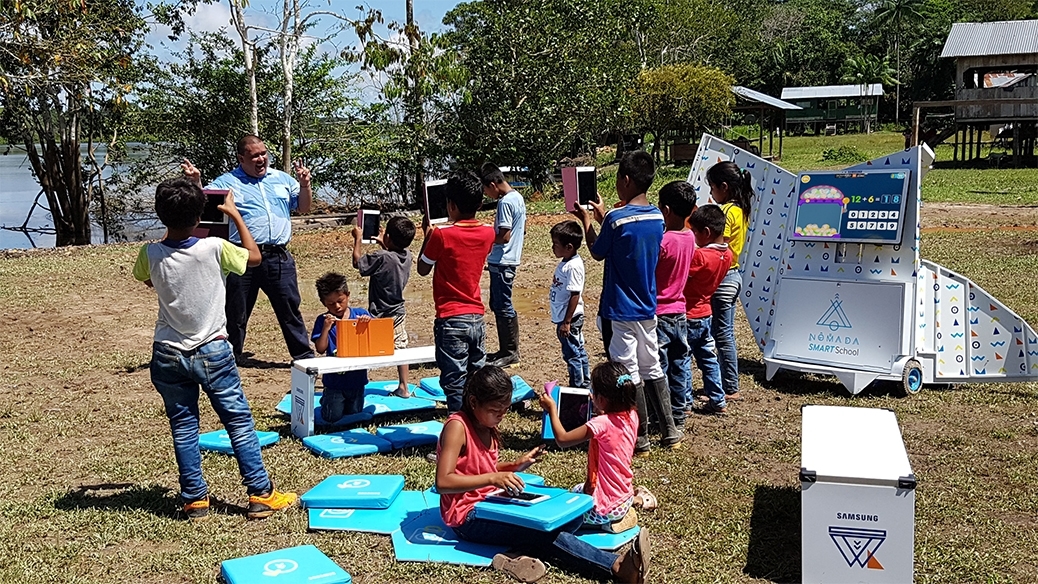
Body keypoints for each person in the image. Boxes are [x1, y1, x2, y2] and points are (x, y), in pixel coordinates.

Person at [133, 177, 297, 521]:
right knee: (238, 422)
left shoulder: (149, 253)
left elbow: (148, 279)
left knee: (183, 425)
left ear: (161, 216)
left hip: (167, 352)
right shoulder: (215, 250)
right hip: (212, 350)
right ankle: (260, 494)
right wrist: (236, 216)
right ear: (200, 218)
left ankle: (195, 499)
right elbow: (253, 257)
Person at [436, 365, 650, 583]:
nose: (501, 416)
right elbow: (444, 481)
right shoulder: (457, 427)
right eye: (496, 411)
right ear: (474, 402)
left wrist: (516, 465)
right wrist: (493, 478)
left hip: (491, 503)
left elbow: (480, 469)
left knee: (568, 516)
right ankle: (616, 566)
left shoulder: (485, 422)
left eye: (505, 410)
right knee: (543, 533)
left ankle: (514, 554)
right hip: (468, 517)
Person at [573, 151, 682, 454]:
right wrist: (603, 217)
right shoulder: (658, 217)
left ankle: (641, 436)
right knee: (653, 366)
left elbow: (597, 251)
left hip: (619, 307)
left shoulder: (616, 219)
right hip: (648, 306)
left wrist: (587, 221)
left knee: (628, 371)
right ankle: (670, 431)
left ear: (625, 180)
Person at [181, 135, 315, 364]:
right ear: (241, 158)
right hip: (241, 256)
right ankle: (231, 355)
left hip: (278, 256)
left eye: (264, 153)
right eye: (255, 156)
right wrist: (196, 182)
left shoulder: (283, 179)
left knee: (289, 308)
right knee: (236, 310)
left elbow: (303, 208)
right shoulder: (227, 182)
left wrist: (304, 185)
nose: (261, 159)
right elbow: (204, 206)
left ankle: (304, 357)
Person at [539, 362, 659, 535]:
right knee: (577, 489)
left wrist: (552, 409)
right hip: (624, 496)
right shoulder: (631, 415)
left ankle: (610, 524)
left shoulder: (600, 424)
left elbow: (563, 439)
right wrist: (601, 408)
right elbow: (612, 428)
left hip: (606, 508)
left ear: (602, 399)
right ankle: (636, 501)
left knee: (566, 516)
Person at [417, 170, 496, 414]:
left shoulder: (441, 234)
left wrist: (427, 235)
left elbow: (422, 268)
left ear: (450, 204)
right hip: (476, 316)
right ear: (480, 203)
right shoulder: (488, 232)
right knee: (475, 381)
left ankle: (458, 439)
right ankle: (476, 433)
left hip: (451, 318)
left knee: (454, 383)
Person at [352, 215, 416, 398]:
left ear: (387, 236)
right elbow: (392, 258)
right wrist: (385, 244)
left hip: (377, 312)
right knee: (401, 348)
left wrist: (358, 238)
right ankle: (404, 386)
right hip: (398, 311)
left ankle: (356, 384)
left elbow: (358, 263)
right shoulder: (407, 256)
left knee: (363, 347)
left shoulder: (380, 257)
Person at [705, 161, 752, 401]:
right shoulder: (741, 209)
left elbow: (715, 241)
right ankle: (728, 384)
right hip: (734, 275)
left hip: (722, 278)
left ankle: (729, 386)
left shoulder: (726, 213)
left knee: (721, 334)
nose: (711, 192)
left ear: (724, 187)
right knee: (725, 333)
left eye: (712, 187)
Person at [654, 181, 698, 429]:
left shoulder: (663, 242)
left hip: (659, 313)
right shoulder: (690, 236)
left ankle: (662, 419)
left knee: (659, 369)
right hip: (680, 311)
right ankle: (679, 415)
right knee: (680, 365)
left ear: (666, 210)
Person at [684, 205, 733, 414]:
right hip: (706, 312)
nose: (693, 236)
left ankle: (684, 402)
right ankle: (718, 399)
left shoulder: (701, 256)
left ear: (706, 233)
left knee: (683, 359)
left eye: (695, 232)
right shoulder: (728, 255)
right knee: (708, 358)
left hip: (688, 312)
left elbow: (683, 275)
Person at [481, 163, 527, 368]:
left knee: (502, 305)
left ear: (492, 184)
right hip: (506, 260)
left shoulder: (505, 203)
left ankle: (510, 352)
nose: (486, 194)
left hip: (502, 261)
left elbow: (505, 235)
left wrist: (486, 238)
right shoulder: (517, 197)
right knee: (499, 304)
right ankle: (505, 350)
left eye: (485, 190)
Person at [311, 273, 371, 424]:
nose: (337, 306)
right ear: (323, 302)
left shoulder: (361, 314)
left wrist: (368, 323)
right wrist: (325, 328)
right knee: (331, 417)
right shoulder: (322, 320)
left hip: (357, 379)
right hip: (334, 382)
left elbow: (377, 338)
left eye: (340, 301)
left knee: (354, 414)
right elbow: (320, 348)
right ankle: (326, 399)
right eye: (331, 304)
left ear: (348, 295)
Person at [548, 220, 590, 388]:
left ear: (569, 247)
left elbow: (575, 294)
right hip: (564, 316)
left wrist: (566, 322)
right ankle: (584, 383)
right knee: (577, 350)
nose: (553, 247)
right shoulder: (567, 262)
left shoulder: (573, 266)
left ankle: (577, 387)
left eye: (556, 244)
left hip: (569, 319)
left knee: (572, 354)